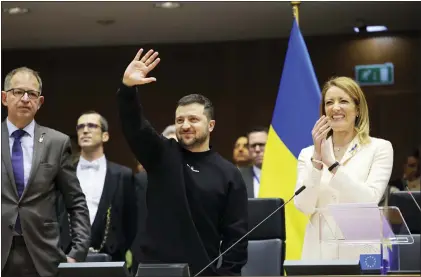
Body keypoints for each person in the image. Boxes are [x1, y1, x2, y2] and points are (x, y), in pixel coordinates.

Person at [117, 49, 248, 276]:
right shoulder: (161, 154)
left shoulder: (229, 173)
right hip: (151, 269)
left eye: (193, 119)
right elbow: (135, 127)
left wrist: (226, 274)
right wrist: (128, 90)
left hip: (201, 271)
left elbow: (236, 237)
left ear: (211, 125)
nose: (185, 125)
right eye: (180, 120)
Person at [1, 67, 91, 277]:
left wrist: (77, 252)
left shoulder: (56, 143)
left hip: (43, 256)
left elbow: (76, 202)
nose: (25, 99)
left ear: (40, 102)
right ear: (4, 98)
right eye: (18, 92)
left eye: (32, 94)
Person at [294, 76, 394, 260]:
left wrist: (332, 165)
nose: (335, 107)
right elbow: (303, 206)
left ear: (357, 109)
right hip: (319, 252)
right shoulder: (307, 153)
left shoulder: (379, 148)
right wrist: (317, 160)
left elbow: (369, 199)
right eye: (329, 102)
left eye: (344, 101)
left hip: (363, 253)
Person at [238, 127, 268, 198]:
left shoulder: (284, 175)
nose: (257, 149)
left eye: (261, 145)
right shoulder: (238, 177)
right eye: (253, 146)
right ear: (248, 149)